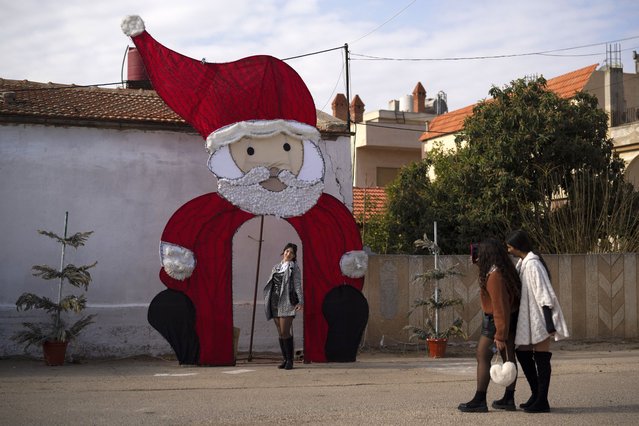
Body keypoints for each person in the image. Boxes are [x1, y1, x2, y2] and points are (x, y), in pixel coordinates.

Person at [506, 229, 569, 413]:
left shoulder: (533, 265)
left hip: (540, 319)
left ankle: (542, 400)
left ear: (518, 247)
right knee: (523, 352)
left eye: (510, 247)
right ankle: (536, 394)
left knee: (541, 359)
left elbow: (544, 294)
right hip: (529, 319)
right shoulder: (523, 264)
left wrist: (549, 323)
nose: (508, 250)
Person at [458, 238, 521, 413]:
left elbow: (501, 307)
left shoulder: (495, 276)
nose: (475, 260)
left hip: (496, 322)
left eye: (478, 256)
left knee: (483, 355)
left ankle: (480, 400)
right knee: (507, 357)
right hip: (503, 321)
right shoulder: (500, 271)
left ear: (486, 255)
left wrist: (500, 335)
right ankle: (508, 399)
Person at [264, 243, 303, 370]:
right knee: (280, 333)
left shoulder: (294, 268)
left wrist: (300, 301)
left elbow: (297, 285)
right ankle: (285, 359)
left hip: (287, 302)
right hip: (274, 302)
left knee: (286, 332)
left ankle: (290, 361)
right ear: (283, 252)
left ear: (294, 256)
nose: (288, 254)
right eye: (287, 251)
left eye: (291, 253)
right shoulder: (276, 267)